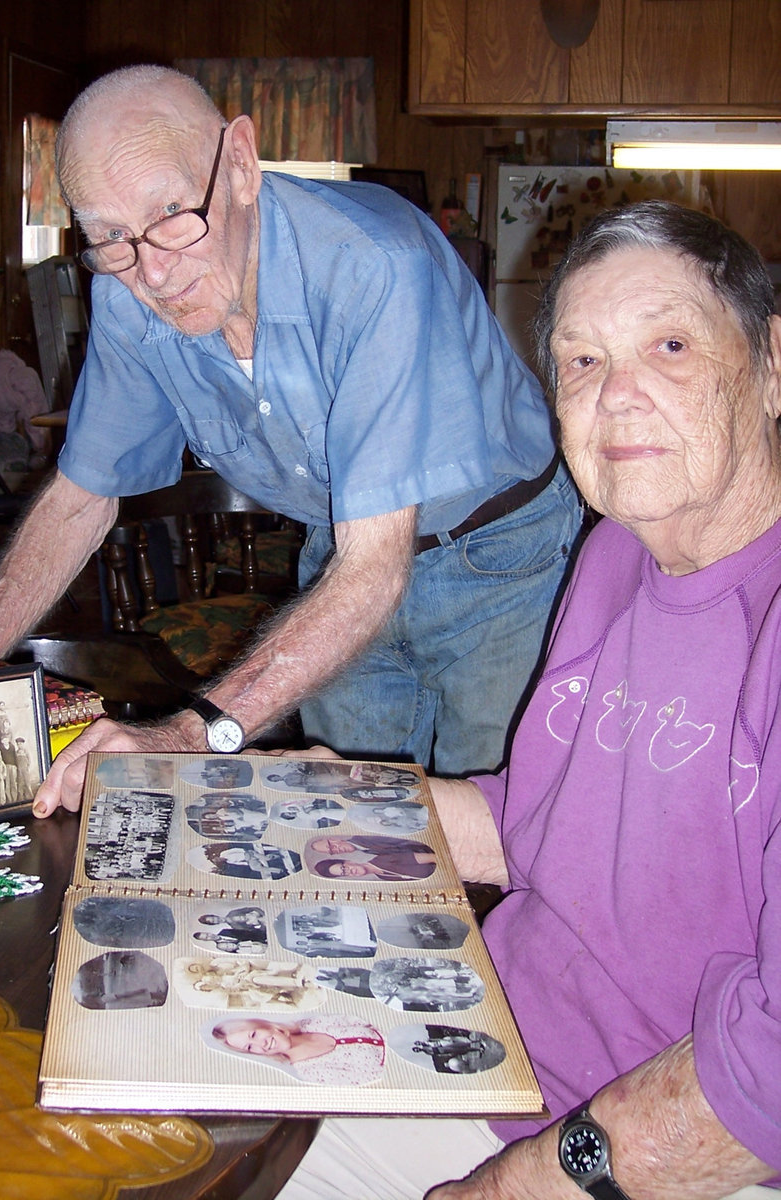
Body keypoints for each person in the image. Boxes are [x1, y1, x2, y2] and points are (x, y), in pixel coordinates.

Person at [276, 201, 781, 1200]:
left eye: (668, 345)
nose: (617, 396)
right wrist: (333, 802)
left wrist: (505, 1188)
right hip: (485, 1041)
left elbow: (762, 1082)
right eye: (579, 363)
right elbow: (540, 823)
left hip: (660, 1149)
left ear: (770, 365)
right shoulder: (610, 555)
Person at [0, 62, 581, 811]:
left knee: (497, 829)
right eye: (111, 237)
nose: (153, 272)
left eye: (172, 215)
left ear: (242, 165)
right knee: (353, 829)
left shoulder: (374, 266)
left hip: (500, 557)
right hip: (342, 556)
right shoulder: (128, 289)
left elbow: (375, 572)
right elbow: (80, 499)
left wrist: (188, 735)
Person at [211, 1015, 385, 1086]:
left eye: (254, 1034)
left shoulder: (311, 1023)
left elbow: (370, 1018)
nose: (261, 1044)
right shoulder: (307, 1072)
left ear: (265, 1025)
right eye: (250, 1047)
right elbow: (376, 1079)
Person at [307, 834, 438, 881]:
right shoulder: (383, 877)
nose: (349, 871)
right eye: (344, 873)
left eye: (344, 867)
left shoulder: (384, 859)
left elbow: (435, 857)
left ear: (348, 861)